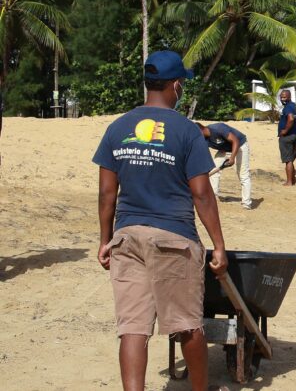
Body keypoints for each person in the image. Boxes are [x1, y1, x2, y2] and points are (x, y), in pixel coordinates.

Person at [92, 50, 228, 391]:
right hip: (173, 238)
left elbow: (107, 193)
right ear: (176, 85)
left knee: (133, 328)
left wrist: (104, 240)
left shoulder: (118, 127)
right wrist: (219, 247)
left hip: (127, 237)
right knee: (187, 325)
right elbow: (201, 193)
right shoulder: (186, 131)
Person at [198, 122, 252, 210]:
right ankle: (213, 197)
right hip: (224, 149)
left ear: (201, 130)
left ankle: (246, 203)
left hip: (240, 146)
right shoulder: (203, 139)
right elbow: (202, 154)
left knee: (243, 174)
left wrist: (232, 158)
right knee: (213, 170)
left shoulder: (218, 128)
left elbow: (235, 141)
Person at [278, 89, 296, 186]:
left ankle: (289, 182)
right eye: (281, 97)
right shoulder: (292, 105)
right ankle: (293, 180)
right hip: (294, 135)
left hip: (287, 137)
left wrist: (285, 131)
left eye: (284, 97)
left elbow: (290, 119)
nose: (283, 98)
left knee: (288, 160)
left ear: (289, 97)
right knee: (290, 159)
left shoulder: (287, 108)